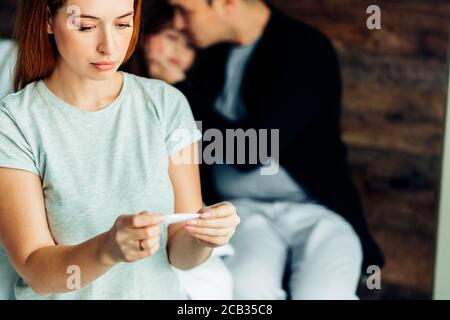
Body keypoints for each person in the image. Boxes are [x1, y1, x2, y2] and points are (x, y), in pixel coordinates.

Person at [0, 0, 239, 300]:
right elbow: (38, 274)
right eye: (86, 26)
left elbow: (180, 252)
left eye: (123, 24)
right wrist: (108, 249)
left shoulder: (167, 104)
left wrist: (206, 238)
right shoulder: (14, 122)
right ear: (48, 20)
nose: (108, 47)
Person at [154, 0, 385, 299]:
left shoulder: (304, 50)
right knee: (247, 291)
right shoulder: (209, 56)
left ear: (227, 4)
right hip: (240, 210)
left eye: (186, 11)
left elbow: (253, 150)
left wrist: (178, 89)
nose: (180, 23)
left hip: (316, 209)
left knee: (324, 294)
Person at [123, 0, 235, 299]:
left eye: (189, 47)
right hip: (124, 223)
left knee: (214, 284)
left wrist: (178, 89)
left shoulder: (191, 101)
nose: (179, 53)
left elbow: (227, 148)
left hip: (180, 223)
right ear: (145, 37)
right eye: (171, 38)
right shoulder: (112, 88)